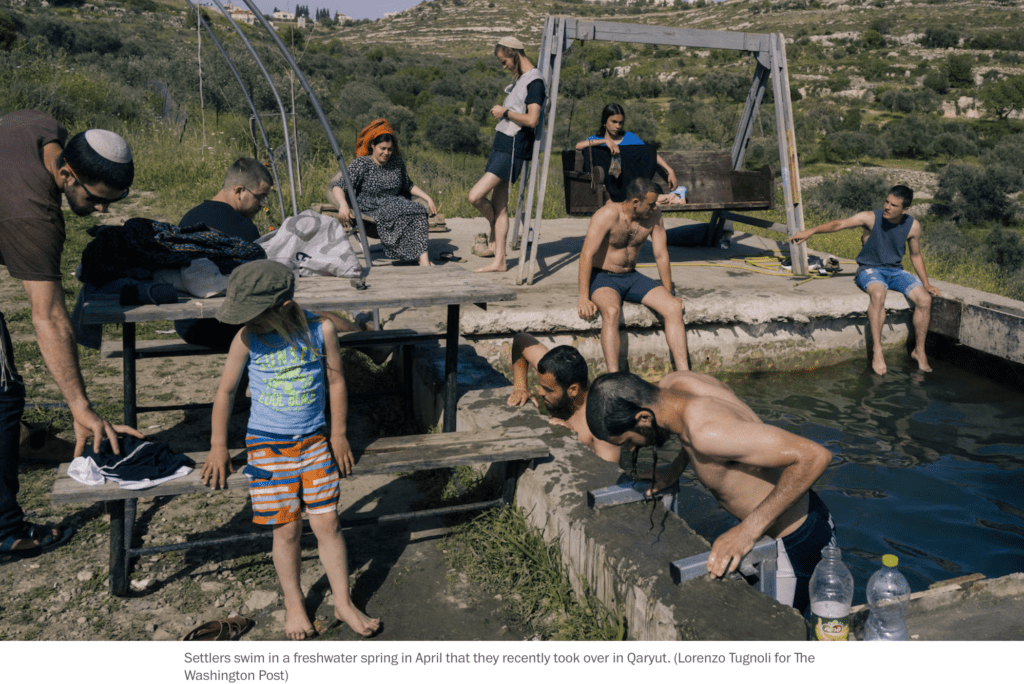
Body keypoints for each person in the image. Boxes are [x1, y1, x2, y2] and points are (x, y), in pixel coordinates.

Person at [200, 260, 380, 639]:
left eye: (253, 316)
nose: (246, 323)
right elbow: (225, 391)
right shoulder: (248, 337)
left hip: (314, 440)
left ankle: (343, 601)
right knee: (286, 529)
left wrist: (339, 434)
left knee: (328, 521)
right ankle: (294, 601)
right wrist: (218, 445)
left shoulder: (321, 330)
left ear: (283, 308)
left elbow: (335, 383)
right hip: (267, 446)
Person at [0, 109, 143, 561]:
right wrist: (80, 406)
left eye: (113, 202)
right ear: (66, 171)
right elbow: (49, 318)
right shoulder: (34, 216)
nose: (101, 209)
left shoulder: (40, 125)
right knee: (4, 397)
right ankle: (4, 532)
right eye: (97, 198)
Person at [585, 370, 835, 613]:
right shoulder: (679, 383)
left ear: (643, 418)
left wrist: (747, 531)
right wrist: (675, 468)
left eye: (627, 441)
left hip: (795, 543)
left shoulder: (706, 433)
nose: (629, 450)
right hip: (803, 516)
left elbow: (814, 456)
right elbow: (711, 426)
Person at [789, 185, 940, 376]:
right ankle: (878, 351)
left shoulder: (913, 226)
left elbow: (916, 255)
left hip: (895, 271)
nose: (887, 207)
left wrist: (926, 283)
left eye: (893, 205)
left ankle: (919, 350)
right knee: (878, 294)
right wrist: (810, 231)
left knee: (925, 299)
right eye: (886, 201)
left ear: (905, 209)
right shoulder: (871, 217)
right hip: (870, 269)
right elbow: (839, 224)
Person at [578, 177, 689, 373]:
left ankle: (684, 373)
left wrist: (668, 290)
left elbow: (661, 255)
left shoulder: (653, 216)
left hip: (631, 276)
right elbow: (587, 254)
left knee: (673, 307)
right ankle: (615, 376)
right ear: (635, 202)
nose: (654, 208)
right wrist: (583, 298)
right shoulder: (607, 215)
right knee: (612, 312)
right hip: (603, 277)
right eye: (651, 204)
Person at [175, 158, 275, 349]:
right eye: (260, 197)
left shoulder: (189, 217)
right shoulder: (244, 228)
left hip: (187, 326)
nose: (263, 204)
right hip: (229, 327)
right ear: (239, 191)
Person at [468, 36, 546, 273]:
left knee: (475, 196)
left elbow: (532, 119)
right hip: (503, 143)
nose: (503, 66)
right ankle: (500, 260)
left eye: (504, 61)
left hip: (512, 146)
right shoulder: (524, 79)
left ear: (514, 53)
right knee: (501, 206)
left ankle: (493, 224)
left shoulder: (535, 81)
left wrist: (505, 112)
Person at [331, 125, 436, 267]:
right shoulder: (362, 164)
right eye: (382, 148)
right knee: (406, 211)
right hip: (370, 208)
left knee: (419, 210)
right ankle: (419, 258)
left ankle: (422, 259)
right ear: (373, 146)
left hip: (395, 202)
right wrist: (343, 205)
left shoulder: (397, 163)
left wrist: (428, 198)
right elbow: (339, 186)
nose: (386, 153)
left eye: (390, 149)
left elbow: (408, 185)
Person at [508, 333, 620, 463]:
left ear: (573, 390)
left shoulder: (601, 424)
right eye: (540, 385)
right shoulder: (552, 373)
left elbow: (609, 476)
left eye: (548, 390)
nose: (540, 393)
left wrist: (574, 441)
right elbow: (521, 340)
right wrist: (520, 387)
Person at [575, 103, 683, 203]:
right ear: (604, 122)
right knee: (598, 152)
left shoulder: (629, 137)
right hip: (610, 182)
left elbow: (649, 153)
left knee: (646, 149)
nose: (617, 126)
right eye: (614, 122)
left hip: (630, 181)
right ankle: (651, 198)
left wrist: (669, 170)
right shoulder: (596, 139)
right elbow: (578, 146)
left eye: (620, 123)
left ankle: (646, 197)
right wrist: (605, 141)